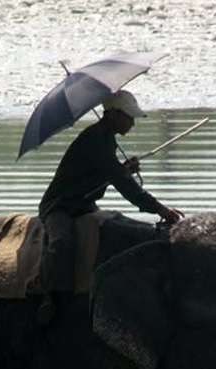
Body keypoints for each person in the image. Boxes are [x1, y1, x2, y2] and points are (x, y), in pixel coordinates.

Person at [37, 90, 183, 325]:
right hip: (61, 206)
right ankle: (50, 296)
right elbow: (126, 187)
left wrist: (123, 169)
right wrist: (161, 210)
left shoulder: (106, 139)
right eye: (129, 117)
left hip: (84, 205)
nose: (132, 123)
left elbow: (105, 174)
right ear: (113, 114)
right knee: (61, 241)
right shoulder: (95, 140)